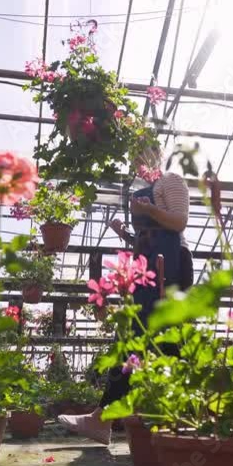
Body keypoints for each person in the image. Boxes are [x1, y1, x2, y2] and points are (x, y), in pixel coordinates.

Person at [56, 143, 190, 445]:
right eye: (134, 158)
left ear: (157, 156)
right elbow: (151, 236)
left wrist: (148, 210)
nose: (137, 162)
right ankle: (168, 419)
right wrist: (126, 235)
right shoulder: (145, 188)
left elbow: (179, 222)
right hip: (149, 268)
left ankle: (104, 418)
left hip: (167, 269)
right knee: (149, 340)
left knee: (143, 337)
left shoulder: (171, 181)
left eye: (142, 155)